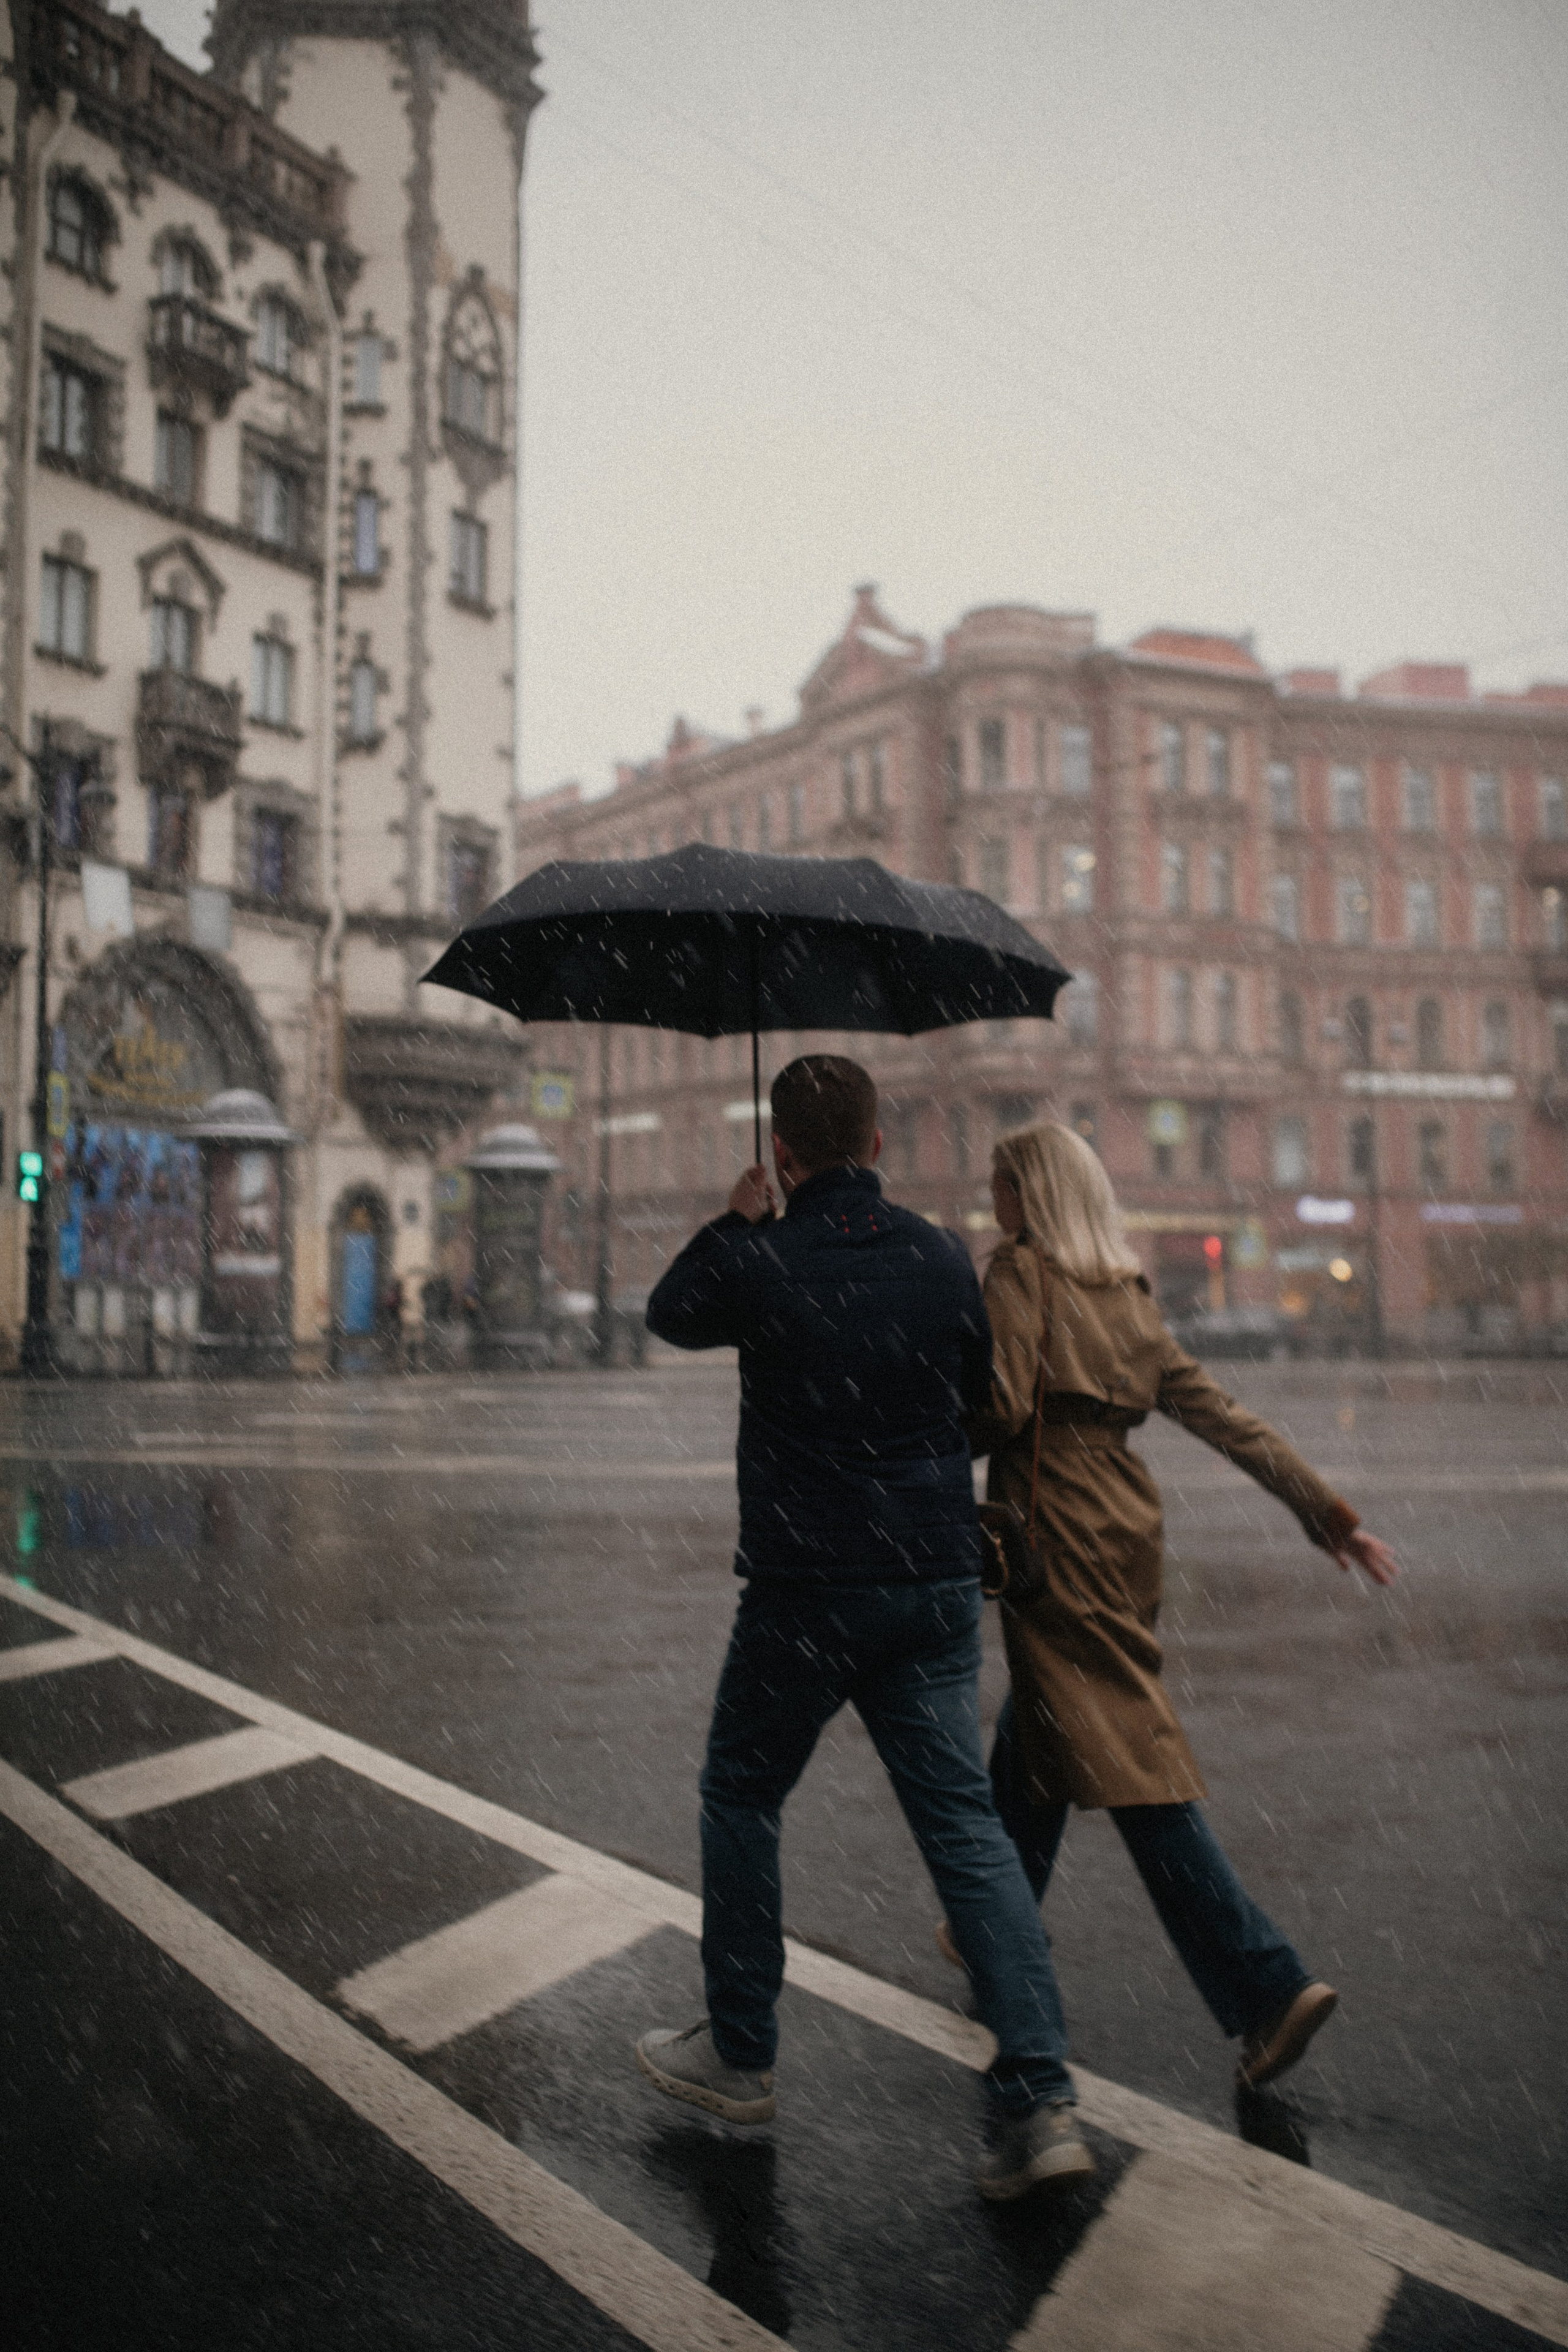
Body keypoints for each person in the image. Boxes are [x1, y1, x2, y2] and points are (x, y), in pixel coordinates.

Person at [635, 1057, 1096, 2198]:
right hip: (934, 1579)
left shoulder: (766, 1257)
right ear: (880, 1145)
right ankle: (1039, 2101)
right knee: (968, 1831)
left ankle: (742, 2055)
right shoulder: (943, 1256)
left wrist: (737, 1223)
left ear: (785, 1153)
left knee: (742, 1794)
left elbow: (667, 1314)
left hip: (807, 1586)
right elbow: (980, 1399)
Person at [949, 1120, 1398, 2093]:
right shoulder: (1128, 1296)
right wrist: (1327, 1513)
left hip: (1051, 1529)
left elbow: (996, 1411)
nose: (996, 1203)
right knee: (1045, 1727)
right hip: (1123, 1521)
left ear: (1035, 1194)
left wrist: (924, 1385)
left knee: (1130, 1759)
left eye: (1003, 1185)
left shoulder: (1022, 1274)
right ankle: (992, 1927)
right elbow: (1225, 1419)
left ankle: (1265, 1986)